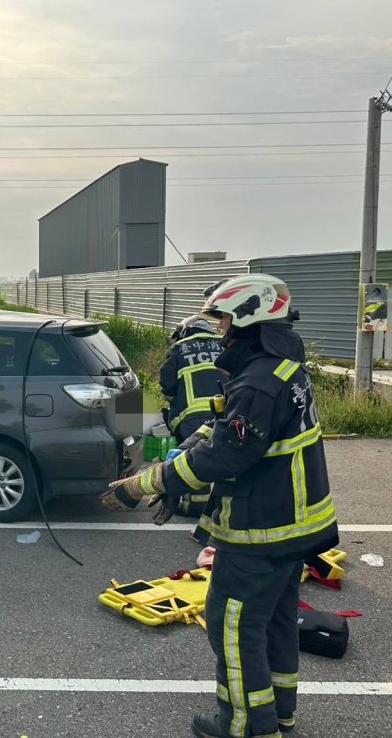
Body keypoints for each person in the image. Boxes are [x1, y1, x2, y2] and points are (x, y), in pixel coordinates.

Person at [102, 273, 339, 738]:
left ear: (250, 318)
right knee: (273, 623)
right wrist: (172, 478)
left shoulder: (258, 382)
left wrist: (143, 484)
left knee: (231, 626)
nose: (223, 330)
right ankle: (279, 714)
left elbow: (228, 453)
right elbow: (221, 428)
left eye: (227, 319)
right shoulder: (281, 367)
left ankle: (247, 725)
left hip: (262, 531)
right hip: (295, 527)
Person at [158, 314, 228, 518]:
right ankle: (223, 506)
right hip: (224, 412)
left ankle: (194, 506)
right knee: (223, 456)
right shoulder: (225, 344)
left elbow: (167, 382)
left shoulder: (180, 348)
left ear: (184, 331)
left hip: (190, 417)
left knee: (193, 460)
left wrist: (174, 399)